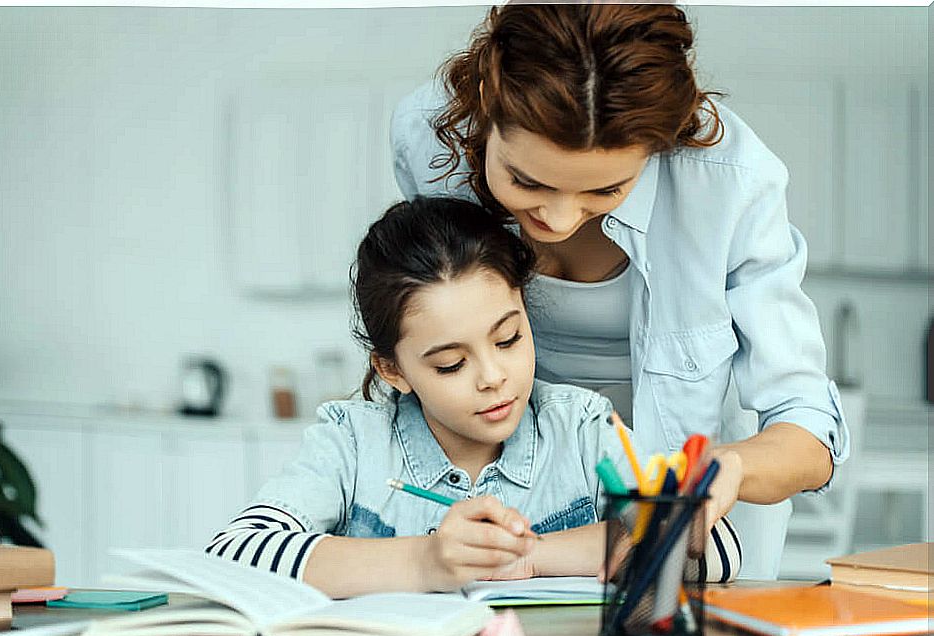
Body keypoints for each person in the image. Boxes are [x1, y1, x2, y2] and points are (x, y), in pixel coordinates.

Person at [390, 4, 849, 579]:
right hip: (515, 513)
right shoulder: (428, 143)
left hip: (694, 539)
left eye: (605, 189)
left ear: (660, 146)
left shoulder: (731, 185)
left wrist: (725, 470)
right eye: (526, 180)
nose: (558, 219)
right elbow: (424, 309)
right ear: (487, 99)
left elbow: (807, 428)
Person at [205, 197, 738, 598]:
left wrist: (532, 555)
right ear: (393, 370)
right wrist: (425, 562)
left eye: (508, 339)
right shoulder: (354, 440)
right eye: (450, 364)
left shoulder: (580, 429)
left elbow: (714, 546)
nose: (493, 376)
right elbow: (232, 553)